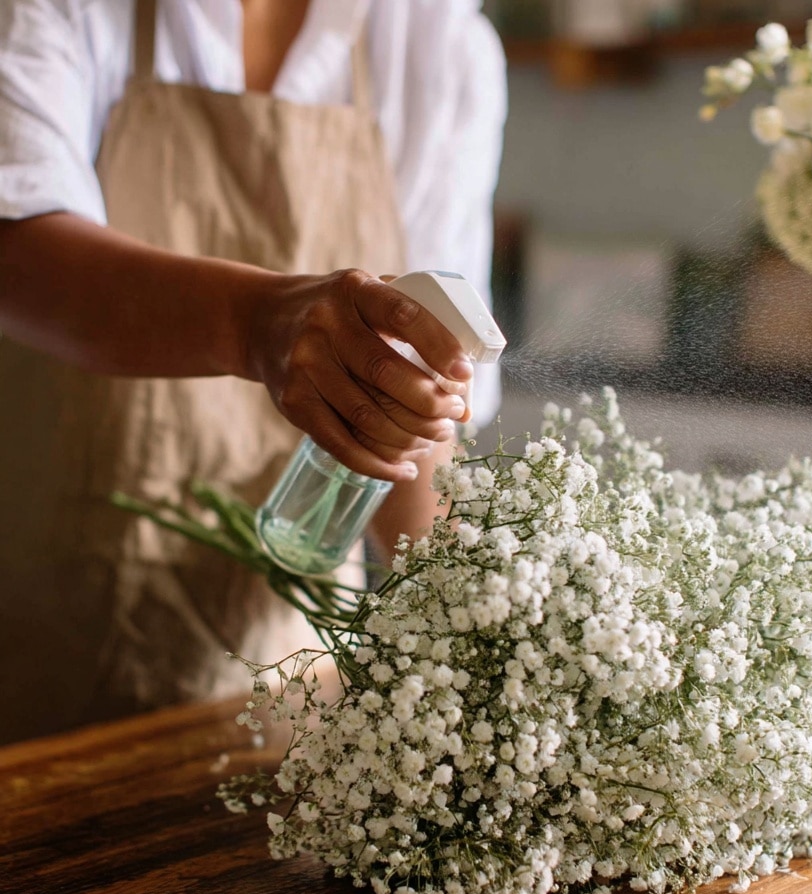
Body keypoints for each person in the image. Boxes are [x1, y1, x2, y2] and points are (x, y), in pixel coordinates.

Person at [0, 0, 507, 743]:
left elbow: (424, 379)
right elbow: (16, 250)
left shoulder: (436, 40)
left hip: (288, 693)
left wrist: (476, 648)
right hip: (39, 659)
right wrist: (252, 323)